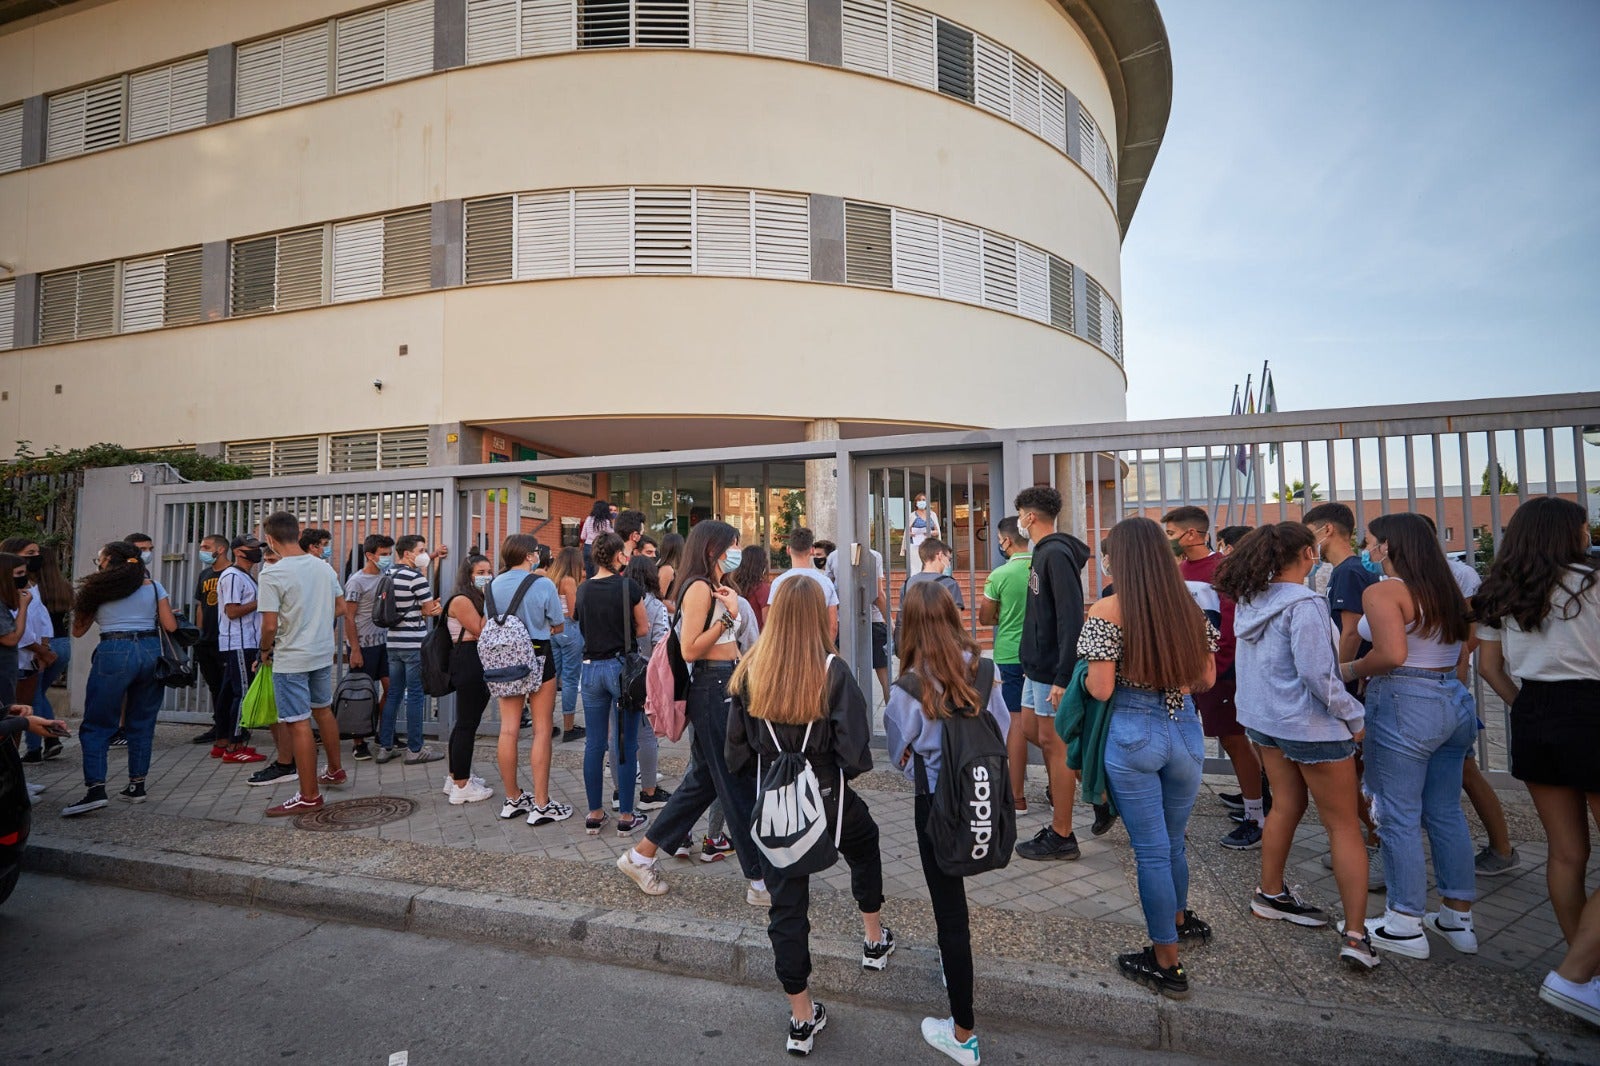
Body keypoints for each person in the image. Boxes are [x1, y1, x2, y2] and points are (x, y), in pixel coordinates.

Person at [726, 576, 889, 1057]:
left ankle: (801, 1016)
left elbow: (735, 755)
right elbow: (856, 755)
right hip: (829, 799)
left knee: (786, 906)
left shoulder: (751, 668)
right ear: (821, 615)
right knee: (866, 842)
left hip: (775, 803)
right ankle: (874, 939)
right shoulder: (833, 671)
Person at [1215, 524, 1378, 970]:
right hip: (1311, 728)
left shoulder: (1252, 600)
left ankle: (1269, 893)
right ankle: (1357, 936)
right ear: (1307, 552)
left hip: (1264, 723)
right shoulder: (1303, 603)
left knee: (1286, 805)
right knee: (1343, 825)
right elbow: (1319, 677)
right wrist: (1355, 716)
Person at [1473, 497, 1600, 1026]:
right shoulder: (1591, 580)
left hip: (1535, 714)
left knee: (1566, 853)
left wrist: (1524, 706)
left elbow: (1487, 665)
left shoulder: (1501, 587)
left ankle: (1586, 976)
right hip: (1593, 709)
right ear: (1570, 532)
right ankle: (1575, 974)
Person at [1079, 517, 1217, 998]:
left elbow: (1100, 687)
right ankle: (1178, 921)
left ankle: (1166, 962)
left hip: (1134, 730)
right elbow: (1207, 681)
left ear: (1122, 559)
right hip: (1184, 730)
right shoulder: (1190, 607)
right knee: (1174, 842)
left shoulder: (1108, 608)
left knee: (1152, 852)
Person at [1338, 512, 1477, 959]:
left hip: (1404, 701)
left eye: (1372, 541)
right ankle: (1457, 915)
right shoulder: (1447, 589)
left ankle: (1403, 923)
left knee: (1396, 814)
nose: (1368, 549)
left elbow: (1392, 654)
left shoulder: (1383, 591)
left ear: (1390, 546)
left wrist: (1350, 670)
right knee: (1444, 810)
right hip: (1451, 698)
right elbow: (1462, 647)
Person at [883, 580, 1008, 1065]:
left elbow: (898, 754)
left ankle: (963, 1034)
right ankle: (952, 970)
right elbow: (1004, 728)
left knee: (949, 910)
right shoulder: (986, 670)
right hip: (982, 791)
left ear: (908, 626)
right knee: (955, 908)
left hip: (934, 800)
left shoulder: (909, 686)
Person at [616, 520, 767, 904]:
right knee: (735, 782)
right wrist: (728, 618)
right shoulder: (698, 588)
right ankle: (759, 880)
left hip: (726, 684)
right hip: (713, 688)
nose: (737, 550)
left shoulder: (717, 587)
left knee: (705, 781)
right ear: (713, 548)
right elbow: (690, 649)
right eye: (733, 544)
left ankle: (640, 855)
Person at [1416, 514, 1518, 875]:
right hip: (1417, 691)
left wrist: (1452, 673)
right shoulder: (1404, 575)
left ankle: (1502, 847)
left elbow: (1471, 634)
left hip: (1447, 688)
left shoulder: (1460, 574)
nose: (1378, 548)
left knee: (1465, 770)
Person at [1164, 506, 1264, 850]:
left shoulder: (1223, 569)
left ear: (1192, 534)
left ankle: (1256, 816)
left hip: (1220, 671)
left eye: (1171, 533)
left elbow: (1232, 623)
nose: (1169, 540)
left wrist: (1215, 668)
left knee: (1234, 740)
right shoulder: (1178, 570)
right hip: (1184, 671)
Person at [62, 541, 180, 815]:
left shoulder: (97, 588)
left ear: (108, 561)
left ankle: (95, 789)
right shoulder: (153, 586)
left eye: (99, 559)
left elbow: (78, 631)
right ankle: (137, 786)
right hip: (151, 651)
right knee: (141, 722)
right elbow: (170, 626)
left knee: (97, 724)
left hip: (114, 650)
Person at [1303, 502, 1385, 882]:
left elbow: (1350, 632)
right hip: (1361, 682)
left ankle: (1373, 842)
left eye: (1311, 534)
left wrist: (1337, 680)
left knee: (1355, 772)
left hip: (1354, 684)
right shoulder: (1347, 571)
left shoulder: (1348, 572)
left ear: (1327, 531)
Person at [1014, 486, 1093, 860]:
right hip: (1036, 667)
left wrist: (1064, 676)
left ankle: (1063, 833)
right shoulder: (1042, 553)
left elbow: (1070, 618)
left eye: (1020, 515)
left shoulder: (1056, 555)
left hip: (1052, 670)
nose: (1019, 521)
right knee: (1032, 730)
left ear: (1029, 517)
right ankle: (1084, 790)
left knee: (1054, 744)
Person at [255, 512, 347, 815]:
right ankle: (335, 770)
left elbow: (269, 625)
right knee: (323, 710)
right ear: (297, 533)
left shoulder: (271, 573)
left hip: (291, 656)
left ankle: (309, 795)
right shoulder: (322, 567)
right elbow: (340, 607)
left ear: (270, 538)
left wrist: (264, 652)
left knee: (297, 723)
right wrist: (316, 622)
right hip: (321, 651)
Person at [488, 533, 571, 826]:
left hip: (505, 658)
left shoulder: (493, 584)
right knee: (541, 729)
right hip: (538, 654)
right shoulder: (543, 583)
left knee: (508, 729)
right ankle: (541, 802)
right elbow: (558, 623)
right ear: (528, 555)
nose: (538, 555)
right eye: (535, 551)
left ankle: (512, 798)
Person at [573, 533, 650, 836]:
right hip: (621, 670)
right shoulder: (628, 587)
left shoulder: (583, 590)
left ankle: (594, 813)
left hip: (590, 670)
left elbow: (580, 623)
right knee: (625, 742)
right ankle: (627, 816)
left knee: (594, 743)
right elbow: (643, 627)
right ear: (618, 555)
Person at [981, 517, 1035, 814]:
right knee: (1048, 723)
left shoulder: (1000, 574)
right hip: (1043, 655)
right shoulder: (1043, 566)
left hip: (1009, 655)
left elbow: (985, 618)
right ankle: (1058, 788)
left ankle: (1017, 797)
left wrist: (1006, 615)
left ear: (1006, 541)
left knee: (1015, 722)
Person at [376, 534, 444, 764]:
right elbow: (428, 608)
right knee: (415, 695)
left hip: (393, 642)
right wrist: (433, 607)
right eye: (422, 550)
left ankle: (385, 746)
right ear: (408, 553)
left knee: (393, 693)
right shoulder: (415, 578)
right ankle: (415, 749)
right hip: (414, 644)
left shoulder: (388, 574)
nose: (425, 554)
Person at [618, 554, 672, 811]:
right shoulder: (656, 606)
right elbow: (661, 642)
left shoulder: (618, 598)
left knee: (618, 733)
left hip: (617, 670)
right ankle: (649, 792)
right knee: (647, 733)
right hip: (645, 672)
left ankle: (620, 792)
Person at [13, 541, 72, 763]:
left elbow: (21, 632)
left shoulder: (32, 588)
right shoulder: (59, 585)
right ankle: (49, 738)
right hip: (60, 643)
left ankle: (37, 746)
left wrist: (43, 649)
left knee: (33, 696)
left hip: (37, 647)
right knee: (37, 693)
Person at [211, 536, 267, 769]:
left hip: (242, 642)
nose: (256, 552)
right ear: (237, 551)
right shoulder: (233, 575)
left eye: (257, 549)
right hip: (240, 642)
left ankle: (222, 742)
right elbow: (232, 612)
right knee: (242, 693)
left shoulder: (245, 576)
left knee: (228, 693)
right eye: (251, 549)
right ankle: (235, 746)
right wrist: (262, 600)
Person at [443, 555, 495, 805]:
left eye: (489, 570)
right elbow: (481, 630)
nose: (487, 575)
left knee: (466, 722)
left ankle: (455, 775)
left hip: (473, 659)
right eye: (481, 571)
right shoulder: (462, 600)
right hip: (468, 660)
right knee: (466, 724)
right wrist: (491, 604)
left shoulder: (473, 598)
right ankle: (461, 786)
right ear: (469, 575)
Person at [342, 534, 395, 761]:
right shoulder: (356, 581)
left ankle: (382, 734)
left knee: (391, 689)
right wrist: (354, 649)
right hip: (363, 645)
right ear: (369, 555)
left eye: (389, 554)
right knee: (361, 693)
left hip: (385, 643)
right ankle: (358, 741)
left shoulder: (387, 576)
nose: (387, 558)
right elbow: (349, 617)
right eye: (383, 554)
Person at [824, 544, 890, 702]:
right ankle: (893, 718)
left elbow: (829, 592)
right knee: (884, 674)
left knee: (841, 672)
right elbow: (878, 593)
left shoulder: (834, 556)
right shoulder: (874, 555)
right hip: (872, 618)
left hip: (842, 620)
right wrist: (889, 622)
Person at [187, 534, 231, 746]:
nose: (202, 550)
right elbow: (200, 605)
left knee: (228, 687)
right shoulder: (205, 574)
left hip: (227, 640)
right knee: (214, 686)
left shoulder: (233, 573)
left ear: (220, 549)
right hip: (207, 640)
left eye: (206, 546)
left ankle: (233, 729)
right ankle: (219, 726)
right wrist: (199, 632)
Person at [768, 527, 839, 640]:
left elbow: (773, 622)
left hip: (789, 648)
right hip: (817, 647)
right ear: (811, 551)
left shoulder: (778, 583)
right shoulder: (826, 582)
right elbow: (833, 626)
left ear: (788, 549)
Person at [547, 546, 587, 743]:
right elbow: (574, 613)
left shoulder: (550, 579)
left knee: (552, 680)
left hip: (553, 630)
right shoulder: (569, 581)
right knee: (570, 680)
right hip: (570, 630)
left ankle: (546, 724)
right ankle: (569, 727)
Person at [730, 546, 773, 631]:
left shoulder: (733, 585)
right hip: (756, 638)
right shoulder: (762, 588)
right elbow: (767, 622)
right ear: (762, 565)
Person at [903, 493, 941, 576]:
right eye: (919, 500)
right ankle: (914, 585)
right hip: (915, 545)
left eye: (924, 500)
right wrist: (911, 534)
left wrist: (930, 532)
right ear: (916, 503)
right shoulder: (912, 515)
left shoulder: (932, 515)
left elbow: (937, 531)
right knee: (915, 568)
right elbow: (907, 532)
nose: (921, 502)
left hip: (929, 545)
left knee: (930, 565)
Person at [580, 499, 613, 578]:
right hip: (599, 547)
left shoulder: (588, 519)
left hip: (587, 547)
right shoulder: (606, 522)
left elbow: (582, 536)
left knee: (589, 573)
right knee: (599, 574)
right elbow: (612, 535)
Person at [656, 532, 684, 610]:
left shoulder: (664, 566)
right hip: (669, 615)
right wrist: (678, 611)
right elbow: (659, 599)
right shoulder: (667, 569)